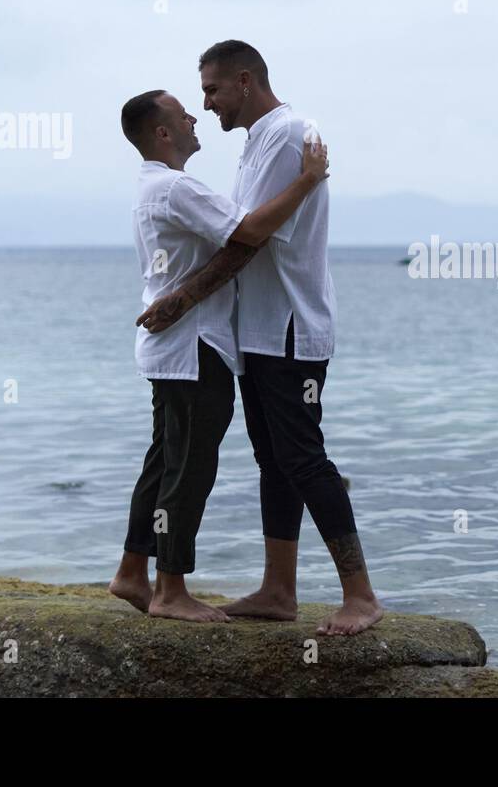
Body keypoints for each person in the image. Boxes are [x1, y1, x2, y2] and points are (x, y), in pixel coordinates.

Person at [137, 41, 383, 635]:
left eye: (212, 90)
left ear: (244, 81)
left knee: (302, 457)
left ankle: (361, 597)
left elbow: (247, 239)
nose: (206, 104)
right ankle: (279, 590)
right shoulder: (257, 141)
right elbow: (237, 234)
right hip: (259, 334)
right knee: (273, 464)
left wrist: (182, 298)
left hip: (291, 331)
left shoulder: (291, 132)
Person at [110, 88, 328, 623]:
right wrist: (307, 180)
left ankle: (132, 573)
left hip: (173, 347)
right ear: (163, 133)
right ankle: (169, 590)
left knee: (163, 461)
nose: (194, 115)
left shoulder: (153, 187)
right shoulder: (176, 187)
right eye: (182, 112)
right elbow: (250, 231)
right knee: (189, 468)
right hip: (195, 348)